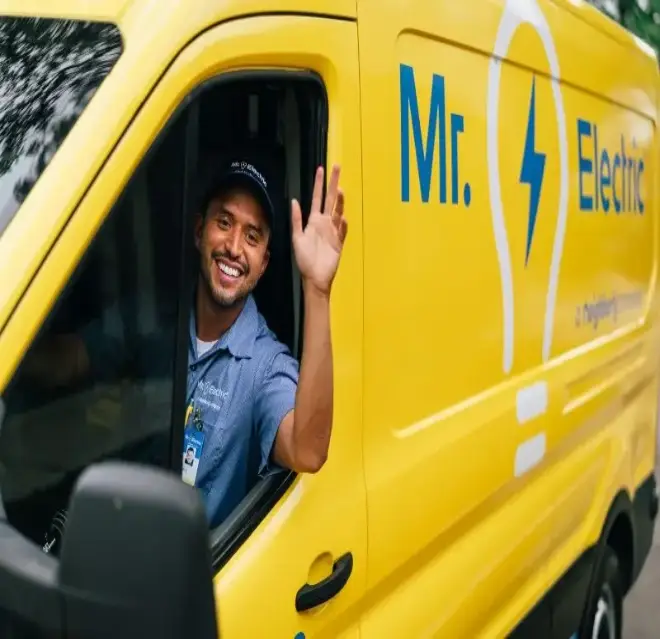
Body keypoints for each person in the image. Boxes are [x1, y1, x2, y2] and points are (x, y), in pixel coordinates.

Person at [17, 157, 348, 528]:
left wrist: (317, 290)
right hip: (107, 534)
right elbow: (72, 358)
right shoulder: (151, 317)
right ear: (198, 230)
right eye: (224, 223)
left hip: (179, 576)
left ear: (264, 262)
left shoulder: (264, 365)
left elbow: (308, 449)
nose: (235, 247)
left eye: (253, 237)